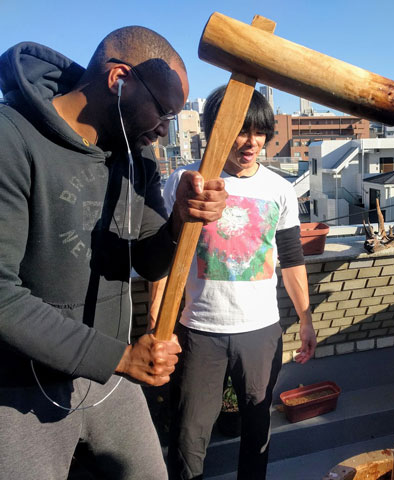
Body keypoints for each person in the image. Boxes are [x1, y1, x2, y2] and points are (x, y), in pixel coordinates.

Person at [0, 27, 227, 480]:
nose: (165, 128)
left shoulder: (134, 157)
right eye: (163, 112)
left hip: (110, 376)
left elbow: (148, 259)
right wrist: (121, 358)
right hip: (20, 386)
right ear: (118, 78)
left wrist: (182, 220)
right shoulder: (11, 139)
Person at [149, 86, 317, 480]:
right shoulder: (183, 181)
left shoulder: (279, 189)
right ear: (215, 131)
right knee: (189, 433)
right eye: (242, 131)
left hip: (260, 332)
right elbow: (163, 256)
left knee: (257, 428)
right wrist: (157, 320)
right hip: (198, 331)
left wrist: (306, 320)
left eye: (260, 132)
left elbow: (291, 260)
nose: (252, 142)